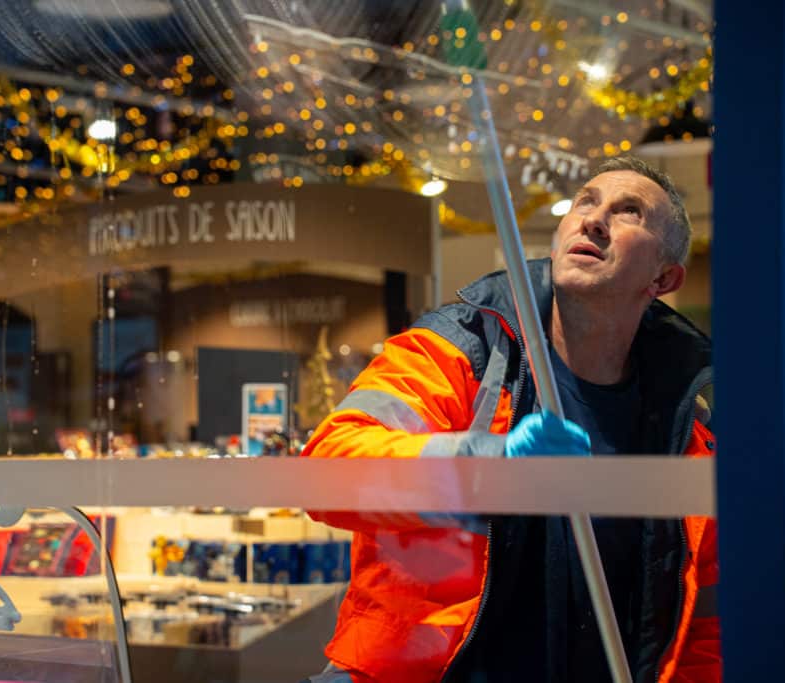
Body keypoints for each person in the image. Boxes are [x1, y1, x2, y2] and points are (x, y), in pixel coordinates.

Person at [300, 156, 719, 683]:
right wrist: (484, 467)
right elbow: (325, 471)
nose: (592, 219)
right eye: (585, 201)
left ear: (663, 276)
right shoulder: (461, 350)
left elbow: (704, 622)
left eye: (628, 212)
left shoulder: (686, 427)